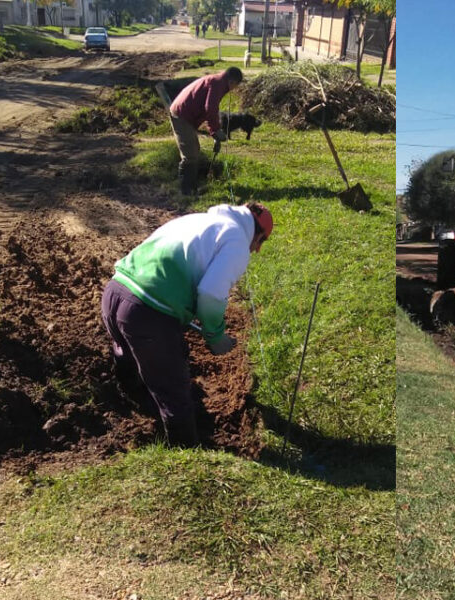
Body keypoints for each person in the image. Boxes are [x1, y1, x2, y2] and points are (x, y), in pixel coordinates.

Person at [101, 202, 274, 446]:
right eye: (262, 242)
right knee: (174, 393)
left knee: (131, 358)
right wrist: (215, 335)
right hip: (147, 312)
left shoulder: (196, 219)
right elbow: (211, 295)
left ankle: (139, 412)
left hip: (114, 293)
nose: (257, 251)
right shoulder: (236, 242)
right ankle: (186, 454)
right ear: (257, 234)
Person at [168, 67, 242, 195]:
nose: (233, 89)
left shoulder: (217, 80)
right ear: (232, 82)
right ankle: (185, 192)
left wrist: (214, 131)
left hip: (185, 114)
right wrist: (215, 130)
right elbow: (210, 108)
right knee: (190, 154)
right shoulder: (218, 83)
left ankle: (191, 187)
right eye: (235, 86)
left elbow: (209, 109)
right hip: (182, 114)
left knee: (194, 150)